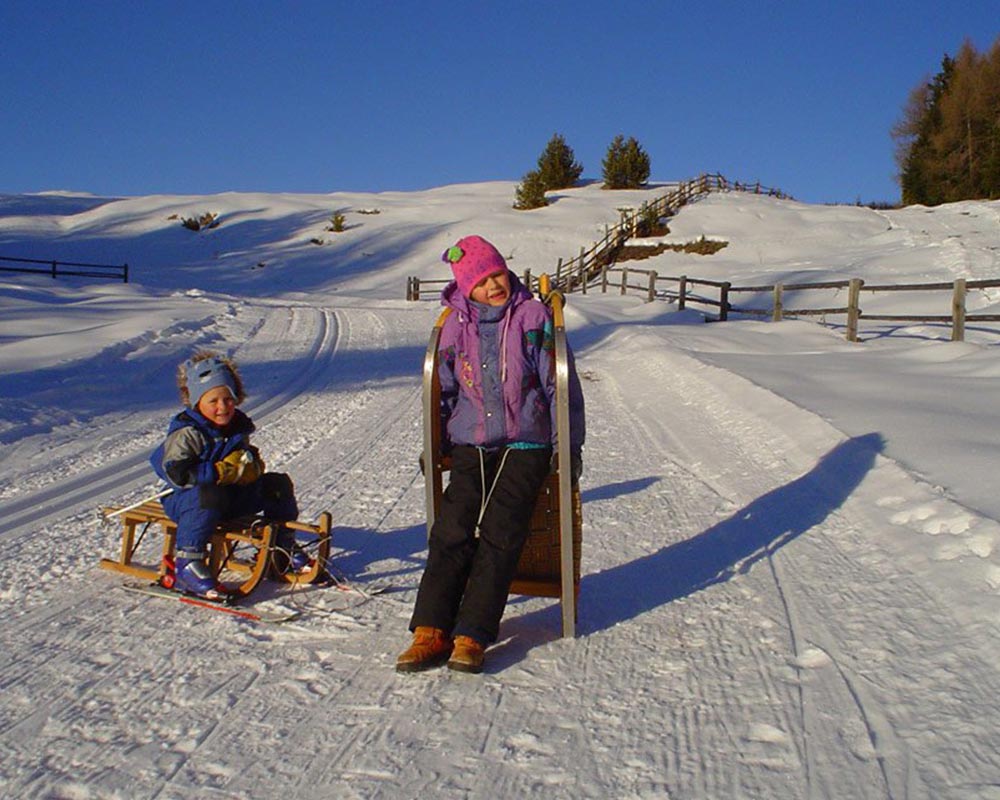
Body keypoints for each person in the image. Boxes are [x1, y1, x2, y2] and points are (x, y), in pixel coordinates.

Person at [397, 235, 585, 674]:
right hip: (472, 441)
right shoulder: (454, 326)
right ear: (466, 288)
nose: (492, 286)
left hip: (526, 441)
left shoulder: (532, 316)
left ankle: (472, 634)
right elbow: (442, 391)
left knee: (501, 529)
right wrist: (436, 443)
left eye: (497, 274)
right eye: (480, 282)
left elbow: (561, 388)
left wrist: (567, 446)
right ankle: (431, 629)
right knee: (452, 528)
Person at [150, 351, 310, 599]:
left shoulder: (237, 428)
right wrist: (218, 472)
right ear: (196, 402)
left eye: (228, 399)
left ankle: (282, 548)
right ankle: (188, 562)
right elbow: (177, 474)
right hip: (186, 501)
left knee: (277, 484)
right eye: (213, 401)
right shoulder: (188, 433)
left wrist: (251, 467)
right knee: (208, 493)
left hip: (227, 499)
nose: (222, 407)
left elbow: (244, 460)